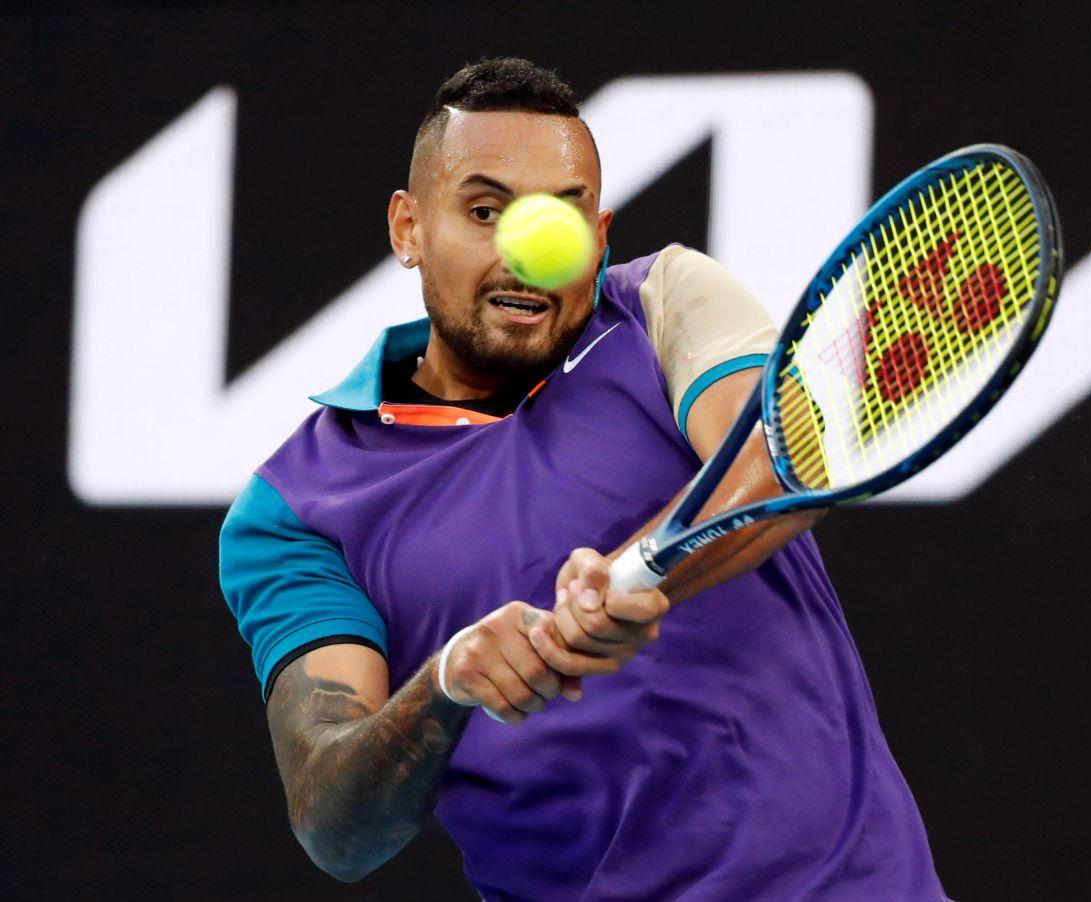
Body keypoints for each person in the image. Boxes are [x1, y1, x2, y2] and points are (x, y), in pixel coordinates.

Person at [219, 57, 948, 900]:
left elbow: (779, 461)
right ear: (409, 228)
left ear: (598, 236)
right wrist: (448, 681)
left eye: (559, 219)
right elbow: (335, 824)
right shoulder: (298, 510)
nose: (528, 255)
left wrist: (633, 579)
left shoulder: (663, 303)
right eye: (485, 211)